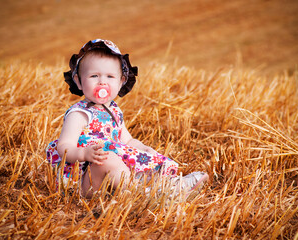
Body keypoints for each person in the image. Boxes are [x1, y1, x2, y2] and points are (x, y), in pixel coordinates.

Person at [46, 39, 208, 198]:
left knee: (140, 163)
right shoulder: (79, 114)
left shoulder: (114, 111)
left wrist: (144, 149)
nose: (102, 82)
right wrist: (84, 153)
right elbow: (64, 147)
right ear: (79, 81)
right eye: (94, 76)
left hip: (111, 177)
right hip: (85, 181)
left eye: (110, 76)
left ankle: (168, 186)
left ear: (121, 81)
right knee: (107, 158)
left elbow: (127, 141)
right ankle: (146, 196)